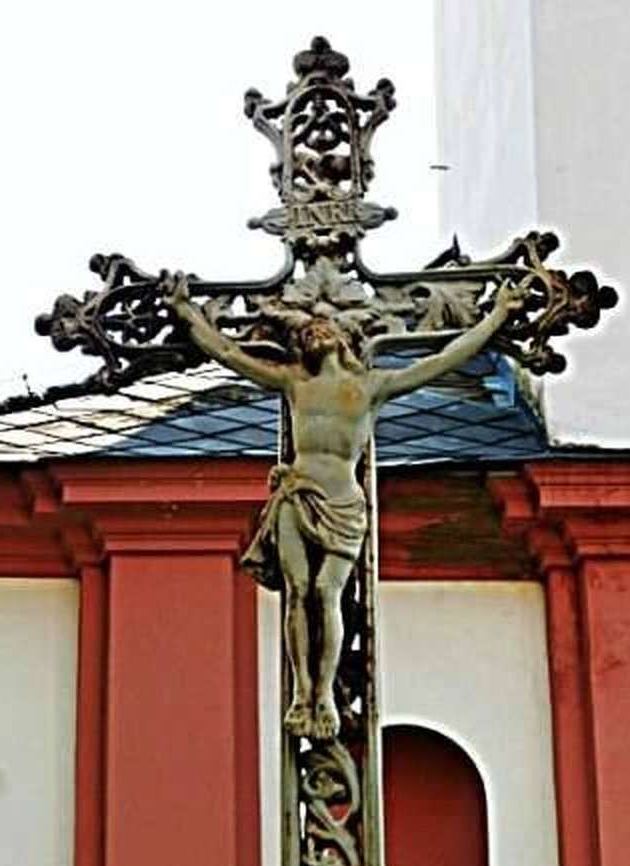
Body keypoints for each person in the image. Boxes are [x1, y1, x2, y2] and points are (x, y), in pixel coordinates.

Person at [166, 275, 525, 739]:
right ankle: (302, 694)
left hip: (343, 503)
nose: (314, 333)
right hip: (296, 494)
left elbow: (444, 358)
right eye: (307, 333)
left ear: (344, 338)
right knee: (298, 591)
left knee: (326, 592)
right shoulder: (295, 382)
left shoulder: (371, 386)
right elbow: (229, 353)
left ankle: (325, 697)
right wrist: (185, 311)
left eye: (323, 329)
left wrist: (497, 316)